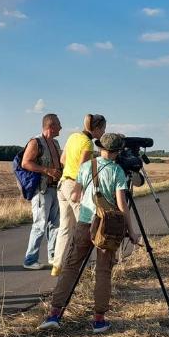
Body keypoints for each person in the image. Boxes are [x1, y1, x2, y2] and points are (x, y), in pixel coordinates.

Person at [38, 133, 139, 334]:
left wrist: (86, 201)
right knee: (103, 271)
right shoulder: (118, 171)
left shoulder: (86, 167)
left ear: (101, 147)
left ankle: (54, 314)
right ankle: (99, 320)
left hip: (85, 223)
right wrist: (131, 231)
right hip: (107, 227)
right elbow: (121, 204)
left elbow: (75, 195)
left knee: (71, 267)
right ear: (118, 151)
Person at [51, 114, 106, 277]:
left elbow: (62, 159)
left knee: (65, 227)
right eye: (102, 129)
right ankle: (84, 267)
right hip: (75, 186)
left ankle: (57, 265)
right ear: (96, 129)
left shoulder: (73, 136)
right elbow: (83, 168)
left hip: (62, 185)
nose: (103, 133)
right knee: (86, 227)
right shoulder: (88, 143)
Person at [21, 114, 63, 270]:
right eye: (58, 124)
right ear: (51, 126)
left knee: (56, 225)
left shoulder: (56, 143)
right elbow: (25, 163)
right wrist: (47, 170)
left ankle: (53, 256)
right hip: (42, 190)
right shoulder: (35, 142)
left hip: (54, 189)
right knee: (40, 225)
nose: (61, 127)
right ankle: (30, 260)